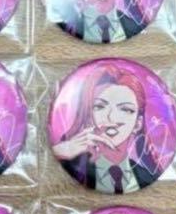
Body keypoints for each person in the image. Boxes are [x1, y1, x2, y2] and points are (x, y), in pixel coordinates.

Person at [52, 64, 163, 193]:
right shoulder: (72, 165)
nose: (111, 117)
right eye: (100, 107)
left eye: (126, 109)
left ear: (137, 124)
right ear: (88, 116)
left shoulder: (146, 175)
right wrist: (62, 150)